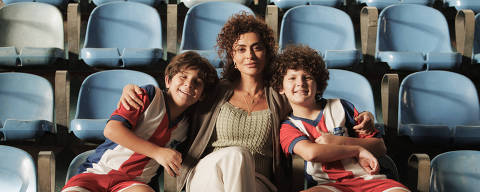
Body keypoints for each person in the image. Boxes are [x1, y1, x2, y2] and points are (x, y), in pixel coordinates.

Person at [118, 13, 376, 192]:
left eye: (257, 48)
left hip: (259, 182)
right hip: (206, 176)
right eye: (241, 49)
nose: (249, 55)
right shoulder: (212, 92)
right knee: (236, 155)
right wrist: (133, 89)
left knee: (240, 161)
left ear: (267, 52)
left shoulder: (281, 95)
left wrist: (363, 117)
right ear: (232, 55)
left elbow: (313, 105)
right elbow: (178, 95)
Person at [62, 51, 219, 192]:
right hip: (98, 172)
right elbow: (111, 130)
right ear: (168, 81)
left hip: (133, 184)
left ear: (202, 95)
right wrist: (157, 152)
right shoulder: (148, 95)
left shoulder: (189, 124)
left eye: (197, 82)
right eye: (183, 76)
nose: (189, 84)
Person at [272, 45, 409, 192]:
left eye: (307, 77)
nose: (300, 82)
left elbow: (380, 147)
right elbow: (311, 153)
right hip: (330, 186)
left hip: (372, 181)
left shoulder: (342, 107)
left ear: (318, 84)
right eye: (292, 78)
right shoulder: (288, 127)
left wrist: (338, 141)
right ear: (281, 87)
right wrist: (356, 149)